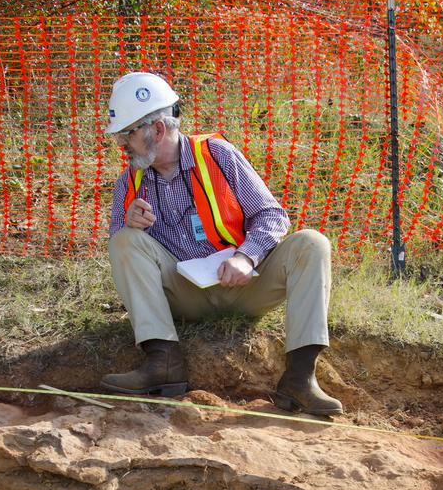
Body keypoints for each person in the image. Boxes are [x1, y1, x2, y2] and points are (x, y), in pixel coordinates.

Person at [101, 72, 341, 415]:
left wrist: (246, 257)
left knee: (312, 244)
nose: (121, 144)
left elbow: (272, 216)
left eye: (127, 133)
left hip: (245, 285)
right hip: (184, 296)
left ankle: (300, 378)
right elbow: (122, 255)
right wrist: (130, 225)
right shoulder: (128, 182)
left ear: (156, 130)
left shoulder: (217, 155)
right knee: (125, 241)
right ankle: (163, 361)